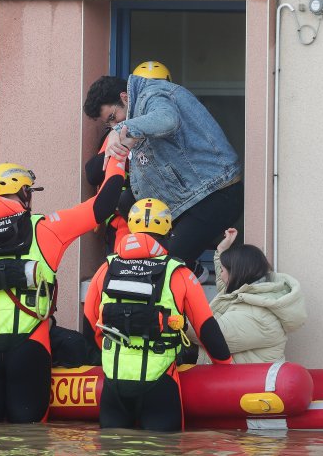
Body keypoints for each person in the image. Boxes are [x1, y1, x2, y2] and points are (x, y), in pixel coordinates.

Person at [0, 159, 125, 424]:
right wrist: (117, 158)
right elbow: (102, 206)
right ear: (24, 193)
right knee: (29, 436)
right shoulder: (47, 229)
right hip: (31, 348)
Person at [83, 198, 233, 432]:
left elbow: (90, 320)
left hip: (114, 379)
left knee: (112, 444)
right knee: (163, 446)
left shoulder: (106, 269)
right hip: (160, 381)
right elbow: (206, 327)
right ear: (168, 231)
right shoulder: (179, 273)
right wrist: (226, 365)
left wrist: (107, 354)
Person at [83, 74, 244, 282]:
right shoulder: (135, 113)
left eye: (113, 117)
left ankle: (179, 266)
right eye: (109, 123)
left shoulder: (154, 95)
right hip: (186, 196)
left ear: (124, 97)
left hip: (216, 193)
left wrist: (119, 130)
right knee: (128, 202)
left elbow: (167, 119)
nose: (115, 123)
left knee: (163, 267)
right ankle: (188, 266)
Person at [83, 61, 174, 253]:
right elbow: (93, 172)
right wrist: (120, 146)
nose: (114, 124)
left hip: (165, 218)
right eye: (109, 121)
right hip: (126, 220)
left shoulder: (169, 126)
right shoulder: (118, 132)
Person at [189, 228, 307, 364]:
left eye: (222, 270)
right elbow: (224, 284)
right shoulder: (249, 292)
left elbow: (214, 337)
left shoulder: (258, 315)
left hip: (240, 377)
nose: (220, 274)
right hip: (229, 372)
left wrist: (177, 320)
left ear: (236, 273)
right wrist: (222, 250)